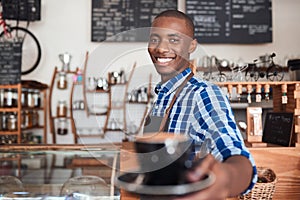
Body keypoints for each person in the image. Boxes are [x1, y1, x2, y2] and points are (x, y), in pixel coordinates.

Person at [145, 10, 257, 199]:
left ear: (192, 45)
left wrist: (224, 180)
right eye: (155, 39)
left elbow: (235, 155)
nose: (161, 49)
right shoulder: (163, 95)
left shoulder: (202, 93)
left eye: (174, 40)